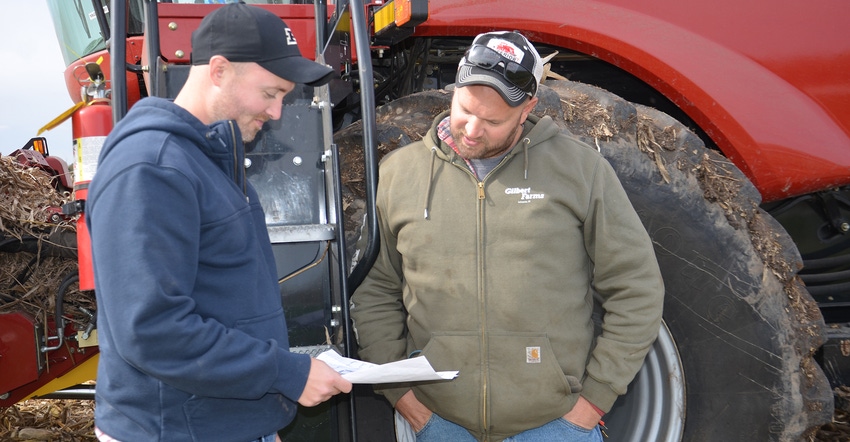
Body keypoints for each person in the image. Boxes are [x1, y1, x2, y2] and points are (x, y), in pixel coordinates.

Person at [350, 31, 664, 441]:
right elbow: (373, 290)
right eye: (464, 110)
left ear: (527, 109)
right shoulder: (399, 173)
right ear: (455, 90)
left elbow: (636, 288)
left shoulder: (580, 171)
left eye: (494, 121)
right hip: (441, 423)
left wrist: (593, 402)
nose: (473, 130)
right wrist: (402, 395)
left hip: (556, 425)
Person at [86, 4, 351, 441]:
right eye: (270, 93)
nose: (278, 112)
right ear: (220, 70)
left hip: (221, 424)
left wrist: (262, 415)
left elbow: (223, 298)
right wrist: (287, 373)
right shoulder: (152, 168)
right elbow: (153, 330)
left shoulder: (204, 159)